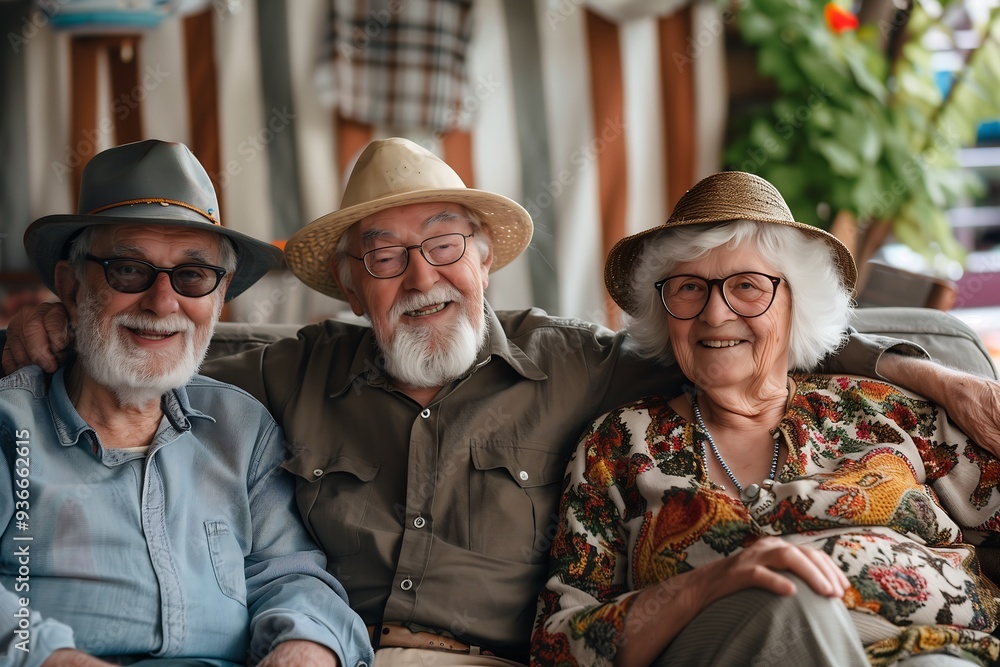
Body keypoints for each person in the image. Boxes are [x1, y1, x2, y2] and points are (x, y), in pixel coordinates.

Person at [4, 138, 1000, 665]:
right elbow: (145, 338)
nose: (420, 275)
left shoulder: (580, 365)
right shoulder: (284, 373)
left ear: (484, 260)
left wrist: (918, 365)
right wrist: (46, 324)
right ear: (352, 287)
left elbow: (741, 331)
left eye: (443, 244)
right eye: (384, 258)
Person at [531, 171, 1000, 667]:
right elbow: (558, 645)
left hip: (938, 652)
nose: (714, 314)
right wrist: (707, 585)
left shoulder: (888, 410)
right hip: (743, 648)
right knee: (784, 596)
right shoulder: (620, 444)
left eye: (747, 286)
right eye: (690, 287)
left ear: (796, 303)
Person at [0, 140, 373, 667]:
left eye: (193, 275)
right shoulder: (10, 424)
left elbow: (288, 574)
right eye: (128, 269)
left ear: (219, 300)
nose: (162, 302)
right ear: (73, 285)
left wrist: (303, 647)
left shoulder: (241, 427)